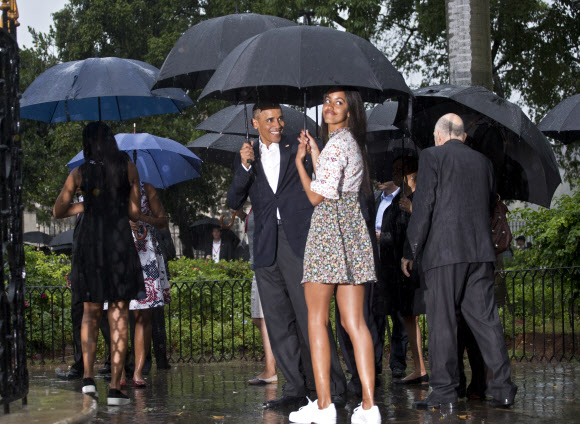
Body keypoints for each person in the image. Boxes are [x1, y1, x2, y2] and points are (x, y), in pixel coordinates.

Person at [227, 102, 346, 410]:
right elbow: (233, 199)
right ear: (256, 123)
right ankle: (295, 390)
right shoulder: (246, 155)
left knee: (311, 319)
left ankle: (332, 387)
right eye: (269, 120)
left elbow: (323, 182)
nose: (277, 124)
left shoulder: (298, 143)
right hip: (265, 247)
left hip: (299, 241)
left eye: (279, 118)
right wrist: (243, 167)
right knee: (279, 324)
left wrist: (311, 153)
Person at [402, 113, 517, 410]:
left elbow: (424, 206)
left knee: (442, 322)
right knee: (486, 320)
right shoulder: (484, 163)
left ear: (439, 136)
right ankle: (503, 388)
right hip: (480, 253)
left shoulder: (431, 157)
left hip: (444, 253)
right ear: (463, 137)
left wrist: (410, 250)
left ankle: (444, 392)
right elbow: (489, 202)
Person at [289, 88, 380, 424]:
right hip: (351, 232)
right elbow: (333, 184)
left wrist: (300, 162)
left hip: (328, 232)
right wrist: (315, 152)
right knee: (354, 323)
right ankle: (370, 407)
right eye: (327, 101)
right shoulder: (351, 145)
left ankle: (325, 405)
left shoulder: (336, 146)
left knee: (317, 319)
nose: (329, 107)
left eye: (338, 103)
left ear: (350, 112)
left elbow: (316, 197)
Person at [53, 121, 145, 406]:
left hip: (91, 246)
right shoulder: (128, 167)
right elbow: (133, 212)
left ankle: (89, 379)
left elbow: (58, 211)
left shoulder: (79, 173)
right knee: (119, 315)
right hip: (118, 244)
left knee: (90, 314)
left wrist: (86, 204)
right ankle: (116, 388)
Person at [117, 181, 171, 387]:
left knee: (144, 314)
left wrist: (141, 218)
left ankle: (138, 372)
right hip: (118, 249)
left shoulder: (147, 189)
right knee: (118, 313)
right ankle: (119, 372)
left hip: (145, 252)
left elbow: (163, 221)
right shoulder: (110, 188)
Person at [381, 157, 428, 386]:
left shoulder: (423, 197)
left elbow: (432, 225)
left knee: (423, 315)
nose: (395, 173)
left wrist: (413, 210)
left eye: (400, 170)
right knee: (408, 317)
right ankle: (419, 367)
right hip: (399, 269)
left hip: (421, 266)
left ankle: (429, 367)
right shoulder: (395, 203)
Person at [375, 169, 409, 381]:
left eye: (383, 175)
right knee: (376, 313)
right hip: (375, 262)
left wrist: (383, 238)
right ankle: (374, 362)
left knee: (398, 315)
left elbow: (402, 232)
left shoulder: (402, 202)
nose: (378, 180)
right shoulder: (375, 199)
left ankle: (398, 362)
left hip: (394, 263)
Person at [246, 209, 278, 385]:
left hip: (265, 264)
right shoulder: (255, 203)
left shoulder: (265, 195)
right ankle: (272, 366)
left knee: (264, 318)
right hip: (257, 263)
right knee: (258, 318)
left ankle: (271, 369)